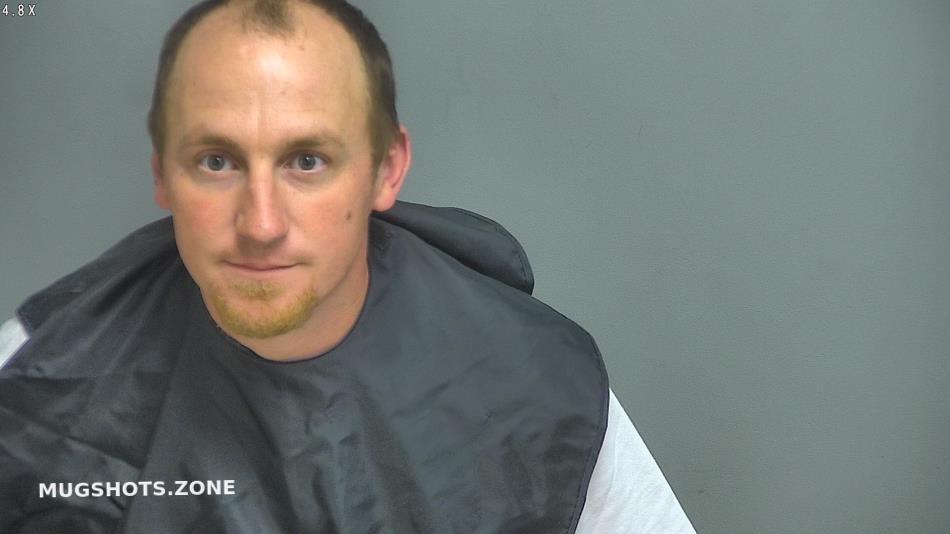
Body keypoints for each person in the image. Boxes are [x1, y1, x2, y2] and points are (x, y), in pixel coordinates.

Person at [0, 0, 695, 532]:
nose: (261, 224)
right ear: (162, 174)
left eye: (307, 161)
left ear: (386, 169)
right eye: (216, 161)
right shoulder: (37, 372)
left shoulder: (537, 382)